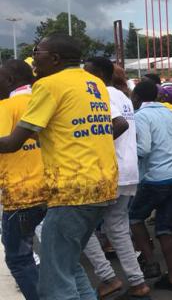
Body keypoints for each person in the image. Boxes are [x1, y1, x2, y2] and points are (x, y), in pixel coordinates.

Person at [0, 34, 118, 299]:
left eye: (36, 52)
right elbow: (63, 129)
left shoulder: (49, 85)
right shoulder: (94, 82)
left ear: (54, 58)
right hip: (103, 186)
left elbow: (13, 143)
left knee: (54, 285)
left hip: (71, 190)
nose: (33, 60)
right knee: (68, 267)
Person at [81, 57, 150, 299]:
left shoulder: (100, 93)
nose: (84, 76)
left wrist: (90, 145)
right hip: (129, 171)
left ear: (99, 73)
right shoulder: (123, 95)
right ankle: (137, 282)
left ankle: (108, 277)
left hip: (111, 171)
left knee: (83, 229)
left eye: (87, 72)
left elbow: (117, 125)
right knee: (118, 229)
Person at [129, 79, 172, 292]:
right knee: (165, 227)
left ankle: (150, 263)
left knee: (134, 217)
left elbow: (144, 148)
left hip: (155, 178)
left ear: (137, 98)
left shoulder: (140, 116)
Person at [0, 60, 47, 300]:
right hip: (50, 190)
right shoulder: (43, 101)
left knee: (19, 259)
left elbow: (5, 144)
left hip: (21, 194)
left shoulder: (7, 106)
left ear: (9, 80)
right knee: (55, 256)